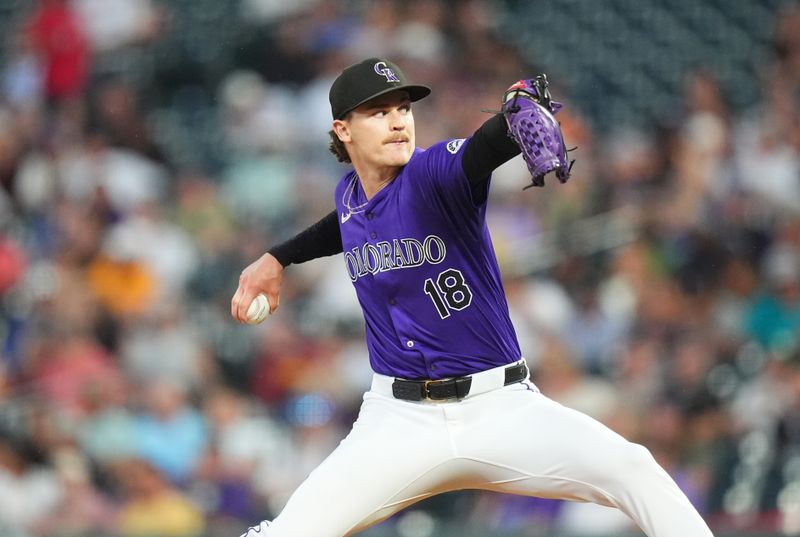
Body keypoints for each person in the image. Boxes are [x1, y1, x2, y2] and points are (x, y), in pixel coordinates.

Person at [231, 57, 714, 537]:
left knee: (634, 469)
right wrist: (278, 257)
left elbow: (480, 151)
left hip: (500, 407)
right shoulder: (350, 197)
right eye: (378, 112)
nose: (398, 120)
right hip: (398, 421)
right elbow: (339, 228)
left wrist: (510, 120)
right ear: (344, 130)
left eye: (403, 108)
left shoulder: (435, 173)